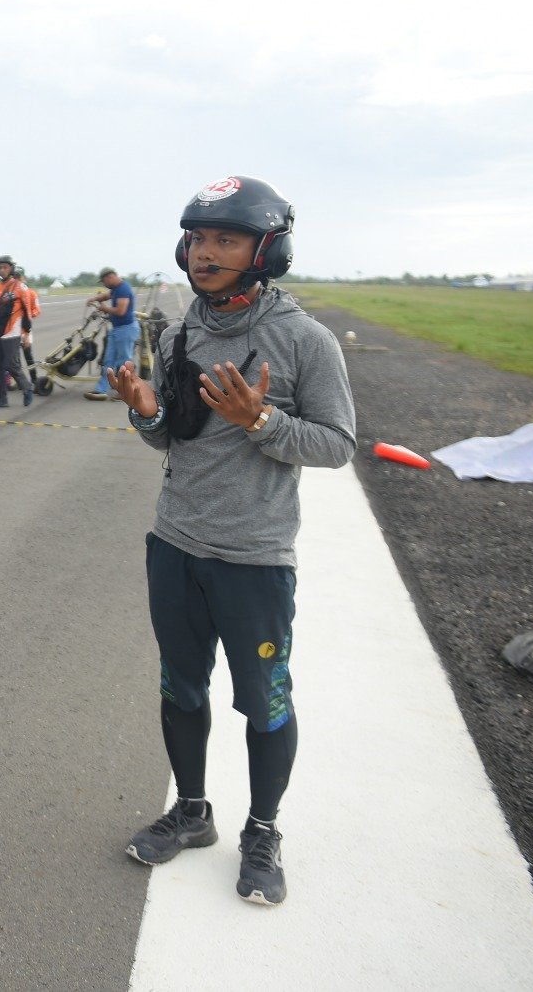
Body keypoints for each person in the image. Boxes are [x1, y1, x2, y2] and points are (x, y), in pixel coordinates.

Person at [105, 176, 355, 906]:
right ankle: (191, 812)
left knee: (264, 702)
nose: (205, 252)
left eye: (225, 239)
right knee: (181, 688)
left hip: (254, 560)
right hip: (175, 546)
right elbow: (172, 439)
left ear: (264, 249)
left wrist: (263, 422)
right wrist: (147, 412)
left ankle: (263, 829)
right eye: (198, 237)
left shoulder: (305, 341)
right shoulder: (183, 331)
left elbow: (338, 445)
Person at [0, 254, 38, 408]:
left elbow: (27, 313)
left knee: (11, 365)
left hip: (13, 331)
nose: (2, 270)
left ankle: (27, 387)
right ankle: (1, 398)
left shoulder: (20, 287)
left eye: (5, 267)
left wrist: (26, 334)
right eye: (0, 267)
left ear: (11, 269)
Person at [86, 268, 138, 400]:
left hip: (126, 329)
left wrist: (104, 308)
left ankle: (126, 391)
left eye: (104, 281)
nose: (104, 284)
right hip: (117, 330)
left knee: (124, 362)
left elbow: (121, 311)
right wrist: (94, 298)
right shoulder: (116, 289)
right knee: (108, 361)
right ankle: (101, 389)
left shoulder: (124, 289)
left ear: (110, 277)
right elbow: (107, 295)